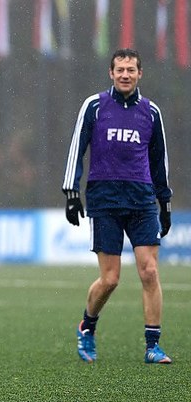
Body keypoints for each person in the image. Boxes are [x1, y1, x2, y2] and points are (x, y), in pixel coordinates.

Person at [62, 48, 173, 364]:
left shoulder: (151, 112)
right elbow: (77, 148)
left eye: (131, 70)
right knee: (110, 279)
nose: (125, 75)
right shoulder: (95, 106)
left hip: (141, 200)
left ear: (140, 74)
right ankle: (87, 326)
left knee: (149, 271)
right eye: (120, 70)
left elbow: (159, 159)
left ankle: (153, 345)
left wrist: (164, 202)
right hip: (105, 200)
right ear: (111, 73)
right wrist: (71, 192)